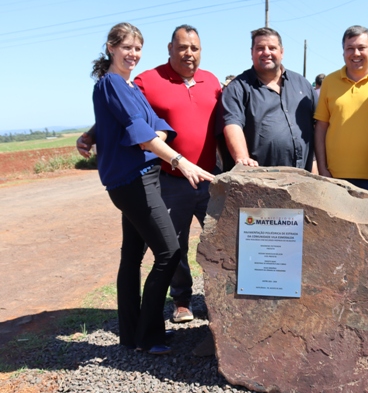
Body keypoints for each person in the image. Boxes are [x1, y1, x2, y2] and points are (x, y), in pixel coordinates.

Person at [79, 25, 222, 324]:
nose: (188, 53)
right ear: (170, 48)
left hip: (203, 177)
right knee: (172, 249)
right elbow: (125, 117)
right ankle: (168, 311)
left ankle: (136, 332)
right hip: (160, 178)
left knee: (136, 256)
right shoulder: (142, 81)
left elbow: (150, 124)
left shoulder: (210, 81)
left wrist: (152, 134)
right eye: (182, 47)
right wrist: (94, 135)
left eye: (194, 48)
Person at [314, 25, 368, 194]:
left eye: (362, 48)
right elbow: (321, 128)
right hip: (335, 178)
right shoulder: (329, 82)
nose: (356, 53)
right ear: (343, 52)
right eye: (350, 48)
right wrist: (323, 169)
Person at [219, 27, 316, 171]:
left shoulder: (302, 84)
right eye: (260, 48)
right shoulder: (237, 88)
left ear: (281, 52)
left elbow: (317, 126)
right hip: (260, 180)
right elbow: (232, 124)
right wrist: (243, 159)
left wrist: (316, 168)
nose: (266, 52)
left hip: (304, 179)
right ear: (251, 52)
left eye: (272, 48)